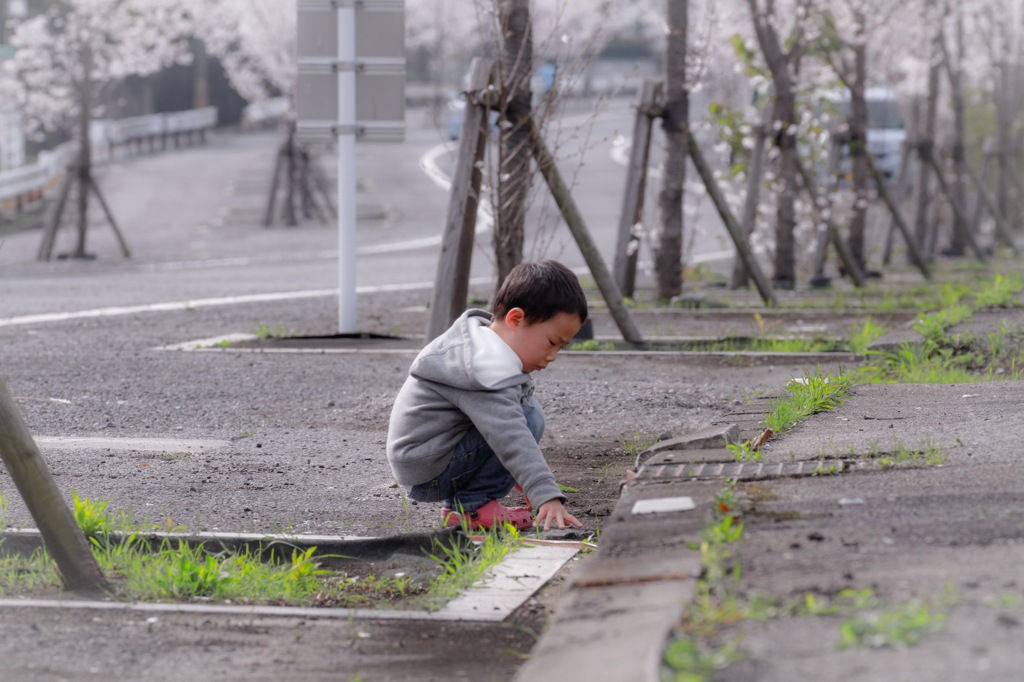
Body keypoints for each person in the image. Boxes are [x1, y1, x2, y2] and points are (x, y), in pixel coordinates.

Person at [387, 260, 587, 532]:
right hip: (429, 468)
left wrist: (521, 473)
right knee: (528, 418)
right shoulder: (484, 370)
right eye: (551, 342)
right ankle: (471, 506)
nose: (552, 356)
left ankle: (470, 500)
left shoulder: (479, 346)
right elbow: (510, 436)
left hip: (426, 458)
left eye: (561, 348)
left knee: (526, 411)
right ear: (516, 319)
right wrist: (546, 496)